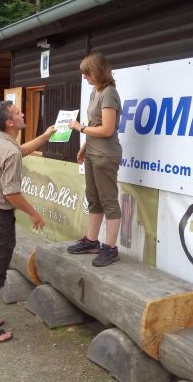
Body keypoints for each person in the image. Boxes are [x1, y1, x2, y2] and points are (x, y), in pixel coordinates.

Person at [0, 100, 55, 344]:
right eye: (18, 113)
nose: (23, 115)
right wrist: (33, 212)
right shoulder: (9, 151)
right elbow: (11, 194)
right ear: (10, 122)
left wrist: (45, 136)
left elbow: (21, 151)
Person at [67, 52, 123, 267]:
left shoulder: (109, 93)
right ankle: (92, 241)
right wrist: (84, 147)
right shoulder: (95, 92)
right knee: (93, 199)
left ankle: (110, 248)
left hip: (105, 155)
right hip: (92, 153)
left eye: (87, 73)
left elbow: (107, 129)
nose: (84, 77)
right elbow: (94, 124)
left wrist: (79, 128)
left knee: (109, 201)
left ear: (98, 72)